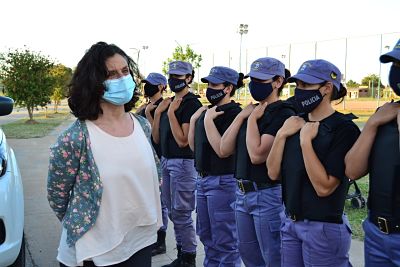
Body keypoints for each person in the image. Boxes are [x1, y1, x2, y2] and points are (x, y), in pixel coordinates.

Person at [47, 42, 162, 267]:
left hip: (140, 240)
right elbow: (57, 196)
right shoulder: (75, 138)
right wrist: (84, 222)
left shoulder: (142, 125)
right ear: (94, 83)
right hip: (95, 252)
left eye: (125, 71)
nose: (121, 78)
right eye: (111, 74)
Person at [267, 59, 360, 267]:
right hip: (290, 222)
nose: (299, 91)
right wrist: (281, 135)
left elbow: (324, 187)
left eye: (306, 86)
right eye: (298, 85)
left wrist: (305, 142)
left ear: (327, 88)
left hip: (323, 228)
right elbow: (273, 173)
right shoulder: (294, 122)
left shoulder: (344, 129)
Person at [219, 57, 295, 267]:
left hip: (266, 194)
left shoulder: (283, 112)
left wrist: (251, 120)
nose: (254, 84)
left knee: (272, 258)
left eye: (261, 80)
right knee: (249, 256)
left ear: (278, 82)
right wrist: (242, 117)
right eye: (253, 79)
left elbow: (257, 154)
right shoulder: (250, 110)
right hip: (242, 193)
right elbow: (224, 148)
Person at [345, 39, 400, 267]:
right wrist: (372, 124)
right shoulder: (384, 113)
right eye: (396, 66)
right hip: (377, 233)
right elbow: (352, 170)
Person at [188, 66, 243, 267]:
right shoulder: (207, 112)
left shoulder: (233, 113)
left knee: (225, 240)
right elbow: (195, 148)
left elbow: (223, 150)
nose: (209, 89)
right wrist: (196, 120)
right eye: (208, 84)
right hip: (202, 180)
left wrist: (208, 121)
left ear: (228, 88)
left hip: (222, 182)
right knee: (206, 236)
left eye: (214, 85)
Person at [152, 61, 202, 267]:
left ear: (189, 78)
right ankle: (182, 253)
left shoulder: (191, 104)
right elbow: (156, 138)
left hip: (183, 163)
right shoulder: (169, 103)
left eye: (179, 76)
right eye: (171, 76)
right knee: (172, 212)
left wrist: (171, 113)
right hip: (166, 160)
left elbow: (183, 141)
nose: (174, 80)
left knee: (181, 212)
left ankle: (188, 257)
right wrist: (157, 113)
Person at [137, 72, 169, 256]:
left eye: (150, 84)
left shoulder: (163, 106)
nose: (145, 87)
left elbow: (154, 133)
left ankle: (160, 240)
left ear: (160, 87)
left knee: (160, 202)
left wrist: (149, 112)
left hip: (157, 156)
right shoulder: (146, 105)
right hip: (143, 158)